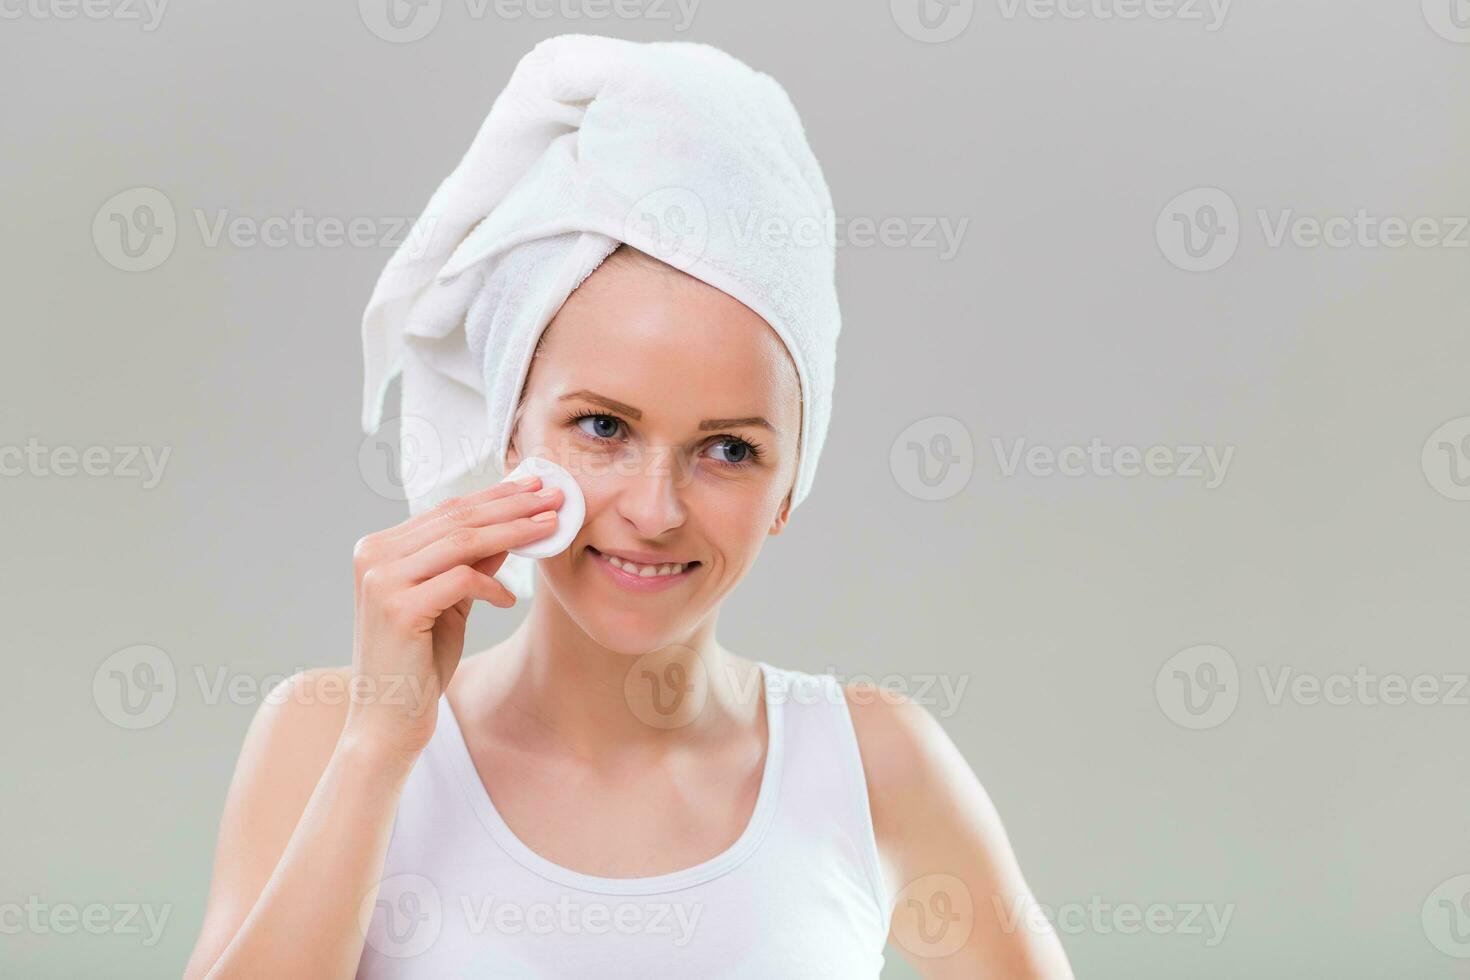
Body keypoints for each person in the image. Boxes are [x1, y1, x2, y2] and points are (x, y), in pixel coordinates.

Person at [184, 33, 1074, 980]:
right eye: (603, 427)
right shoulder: (327, 734)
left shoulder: (874, 765)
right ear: (512, 435)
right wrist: (378, 747)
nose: (655, 510)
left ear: (788, 489)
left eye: (729, 450)